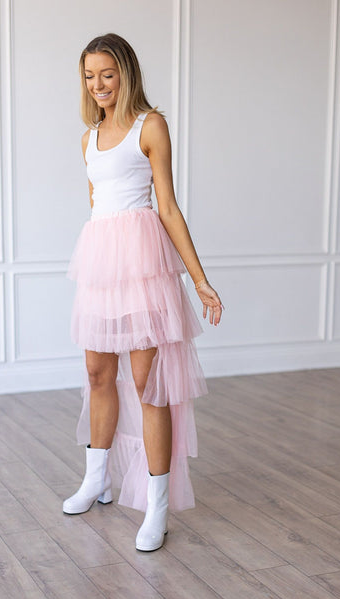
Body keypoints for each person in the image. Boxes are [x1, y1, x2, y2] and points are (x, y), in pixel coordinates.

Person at [63, 32, 224, 552]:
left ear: (126, 73)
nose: (98, 84)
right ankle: (97, 478)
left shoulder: (149, 126)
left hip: (143, 263)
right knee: (97, 373)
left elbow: (167, 207)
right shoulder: (88, 138)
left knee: (147, 381)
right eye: (90, 76)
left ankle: (157, 506)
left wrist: (198, 279)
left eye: (107, 74)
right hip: (100, 263)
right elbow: (97, 204)